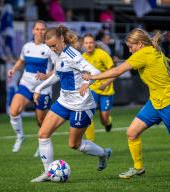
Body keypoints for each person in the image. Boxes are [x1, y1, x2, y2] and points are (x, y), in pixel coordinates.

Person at [82, 28, 170, 183]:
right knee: (132, 133)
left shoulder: (144, 54)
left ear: (140, 44)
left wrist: (92, 77)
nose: (129, 50)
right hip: (155, 102)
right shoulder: (149, 51)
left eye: (131, 46)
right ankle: (138, 168)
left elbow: (117, 71)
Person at [31, 26, 111, 183]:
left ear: (61, 39)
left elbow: (95, 72)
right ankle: (48, 173)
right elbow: (57, 74)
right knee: (43, 134)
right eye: (49, 46)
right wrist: (39, 88)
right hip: (64, 102)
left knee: (74, 145)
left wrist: (86, 84)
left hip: (82, 105)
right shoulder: (57, 54)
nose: (52, 49)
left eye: (54, 45)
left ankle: (103, 154)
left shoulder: (73, 55)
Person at [7, 20, 54, 153]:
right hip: (26, 83)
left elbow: (57, 68)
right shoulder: (27, 46)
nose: (40, 32)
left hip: (43, 87)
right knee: (14, 111)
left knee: (40, 121)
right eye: (37, 29)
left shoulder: (50, 48)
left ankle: (42, 143)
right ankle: (20, 136)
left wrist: (46, 76)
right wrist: (13, 69)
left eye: (42, 29)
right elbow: (21, 60)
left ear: (46, 31)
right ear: (33, 31)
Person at [82, 33, 115, 141]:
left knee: (104, 119)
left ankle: (108, 122)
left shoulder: (102, 54)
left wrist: (105, 83)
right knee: (88, 111)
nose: (89, 45)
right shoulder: (82, 58)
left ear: (94, 43)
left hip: (106, 90)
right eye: (86, 43)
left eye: (91, 42)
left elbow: (114, 71)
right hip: (92, 89)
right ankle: (90, 141)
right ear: (83, 45)